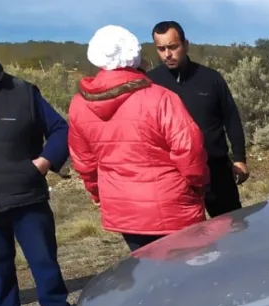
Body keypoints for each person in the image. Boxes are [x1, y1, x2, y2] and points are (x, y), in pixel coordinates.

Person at [67, 25, 210, 253]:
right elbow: (189, 149)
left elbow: (84, 161)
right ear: (135, 55)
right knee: (187, 277)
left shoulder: (79, 104)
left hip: (123, 208)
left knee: (146, 274)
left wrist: (97, 193)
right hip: (172, 205)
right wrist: (197, 185)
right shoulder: (161, 98)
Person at [0, 32, 73, 306]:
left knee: (42, 257)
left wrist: (43, 162)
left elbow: (60, 130)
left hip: (27, 195)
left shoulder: (22, 91)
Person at [147, 21, 250, 218]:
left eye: (173, 46)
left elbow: (231, 118)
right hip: (174, 176)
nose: (167, 54)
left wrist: (239, 158)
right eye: (161, 49)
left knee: (233, 228)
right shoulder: (151, 83)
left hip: (216, 169)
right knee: (189, 241)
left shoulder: (211, 78)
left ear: (186, 44)